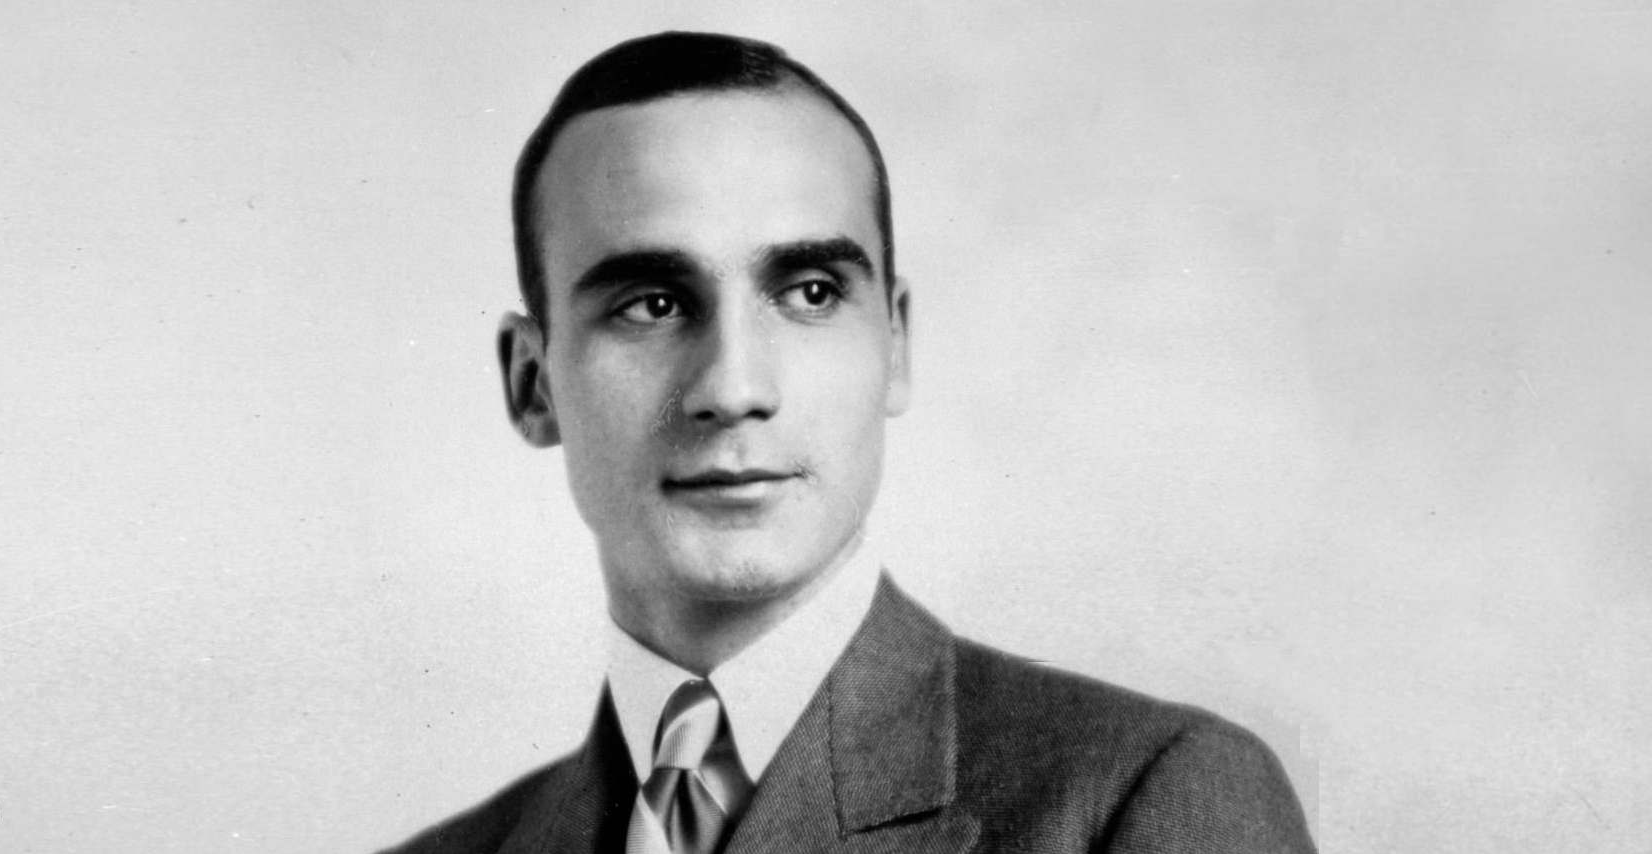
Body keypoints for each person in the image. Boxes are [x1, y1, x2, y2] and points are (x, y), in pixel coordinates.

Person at [385, 31, 1316, 854]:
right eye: (652, 304)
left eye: (811, 293)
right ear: (533, 384)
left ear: (894, 344)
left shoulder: (1145, 798)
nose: (733, 389)